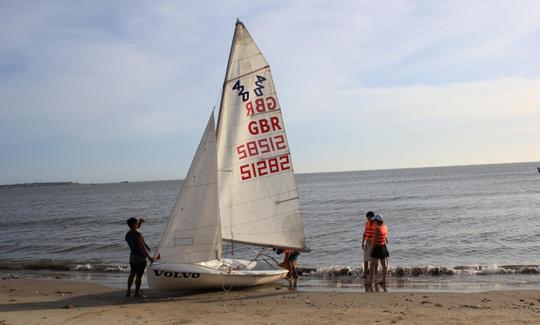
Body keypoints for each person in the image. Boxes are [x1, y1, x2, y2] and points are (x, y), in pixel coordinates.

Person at [125, 217, 154, 298]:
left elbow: (134, 229)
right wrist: (149, 257)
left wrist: (140, 223)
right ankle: (136, 293)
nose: (138, 224)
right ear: (134, 224)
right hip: (140, 258)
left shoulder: (127, 235)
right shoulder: (138, 235)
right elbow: (142, 248)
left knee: (132, 274)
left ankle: (128, 291)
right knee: (139, 276)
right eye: (137, 223)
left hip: (132, 257)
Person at [369, 214, 389, 292]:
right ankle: (383, 280)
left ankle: (370, 282)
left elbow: (375, 241)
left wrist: (371, 250)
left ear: (377, 221)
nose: (373, 222)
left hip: (377, 248)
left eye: (374, 221)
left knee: (372, 265)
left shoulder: (377, 228)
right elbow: (385, 237)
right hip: (383, 247)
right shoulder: (385, 227)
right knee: (384, 265)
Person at [361, 211, 376, 279]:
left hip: (373, 243)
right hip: (367, 242)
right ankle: (365, 274)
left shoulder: (376, 224)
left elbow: (377, 234)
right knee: (365, 259)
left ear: (371, 217)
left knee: (373, 260)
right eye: (367, 217)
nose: (367, 218)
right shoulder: (367, 223)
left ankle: (374, 274)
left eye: (368, 217)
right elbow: (364, 233)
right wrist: (362, 243)